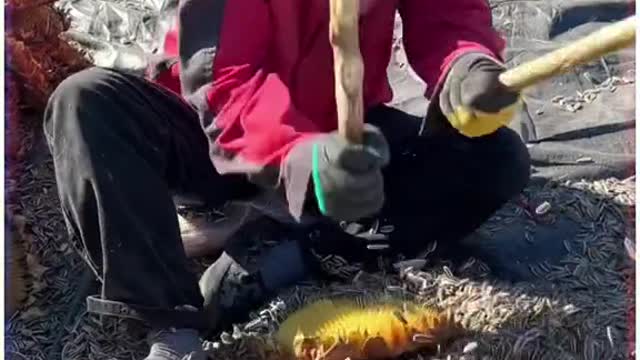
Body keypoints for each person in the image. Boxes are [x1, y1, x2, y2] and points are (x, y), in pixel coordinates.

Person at [43, 0, 531, 359]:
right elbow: (228, 83)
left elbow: (448, 17)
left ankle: (291, 248)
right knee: (86, 101)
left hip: (341, 132)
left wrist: (466, 67)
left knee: (496, 160)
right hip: (217, 135)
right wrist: (299, 159)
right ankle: (172, 328)